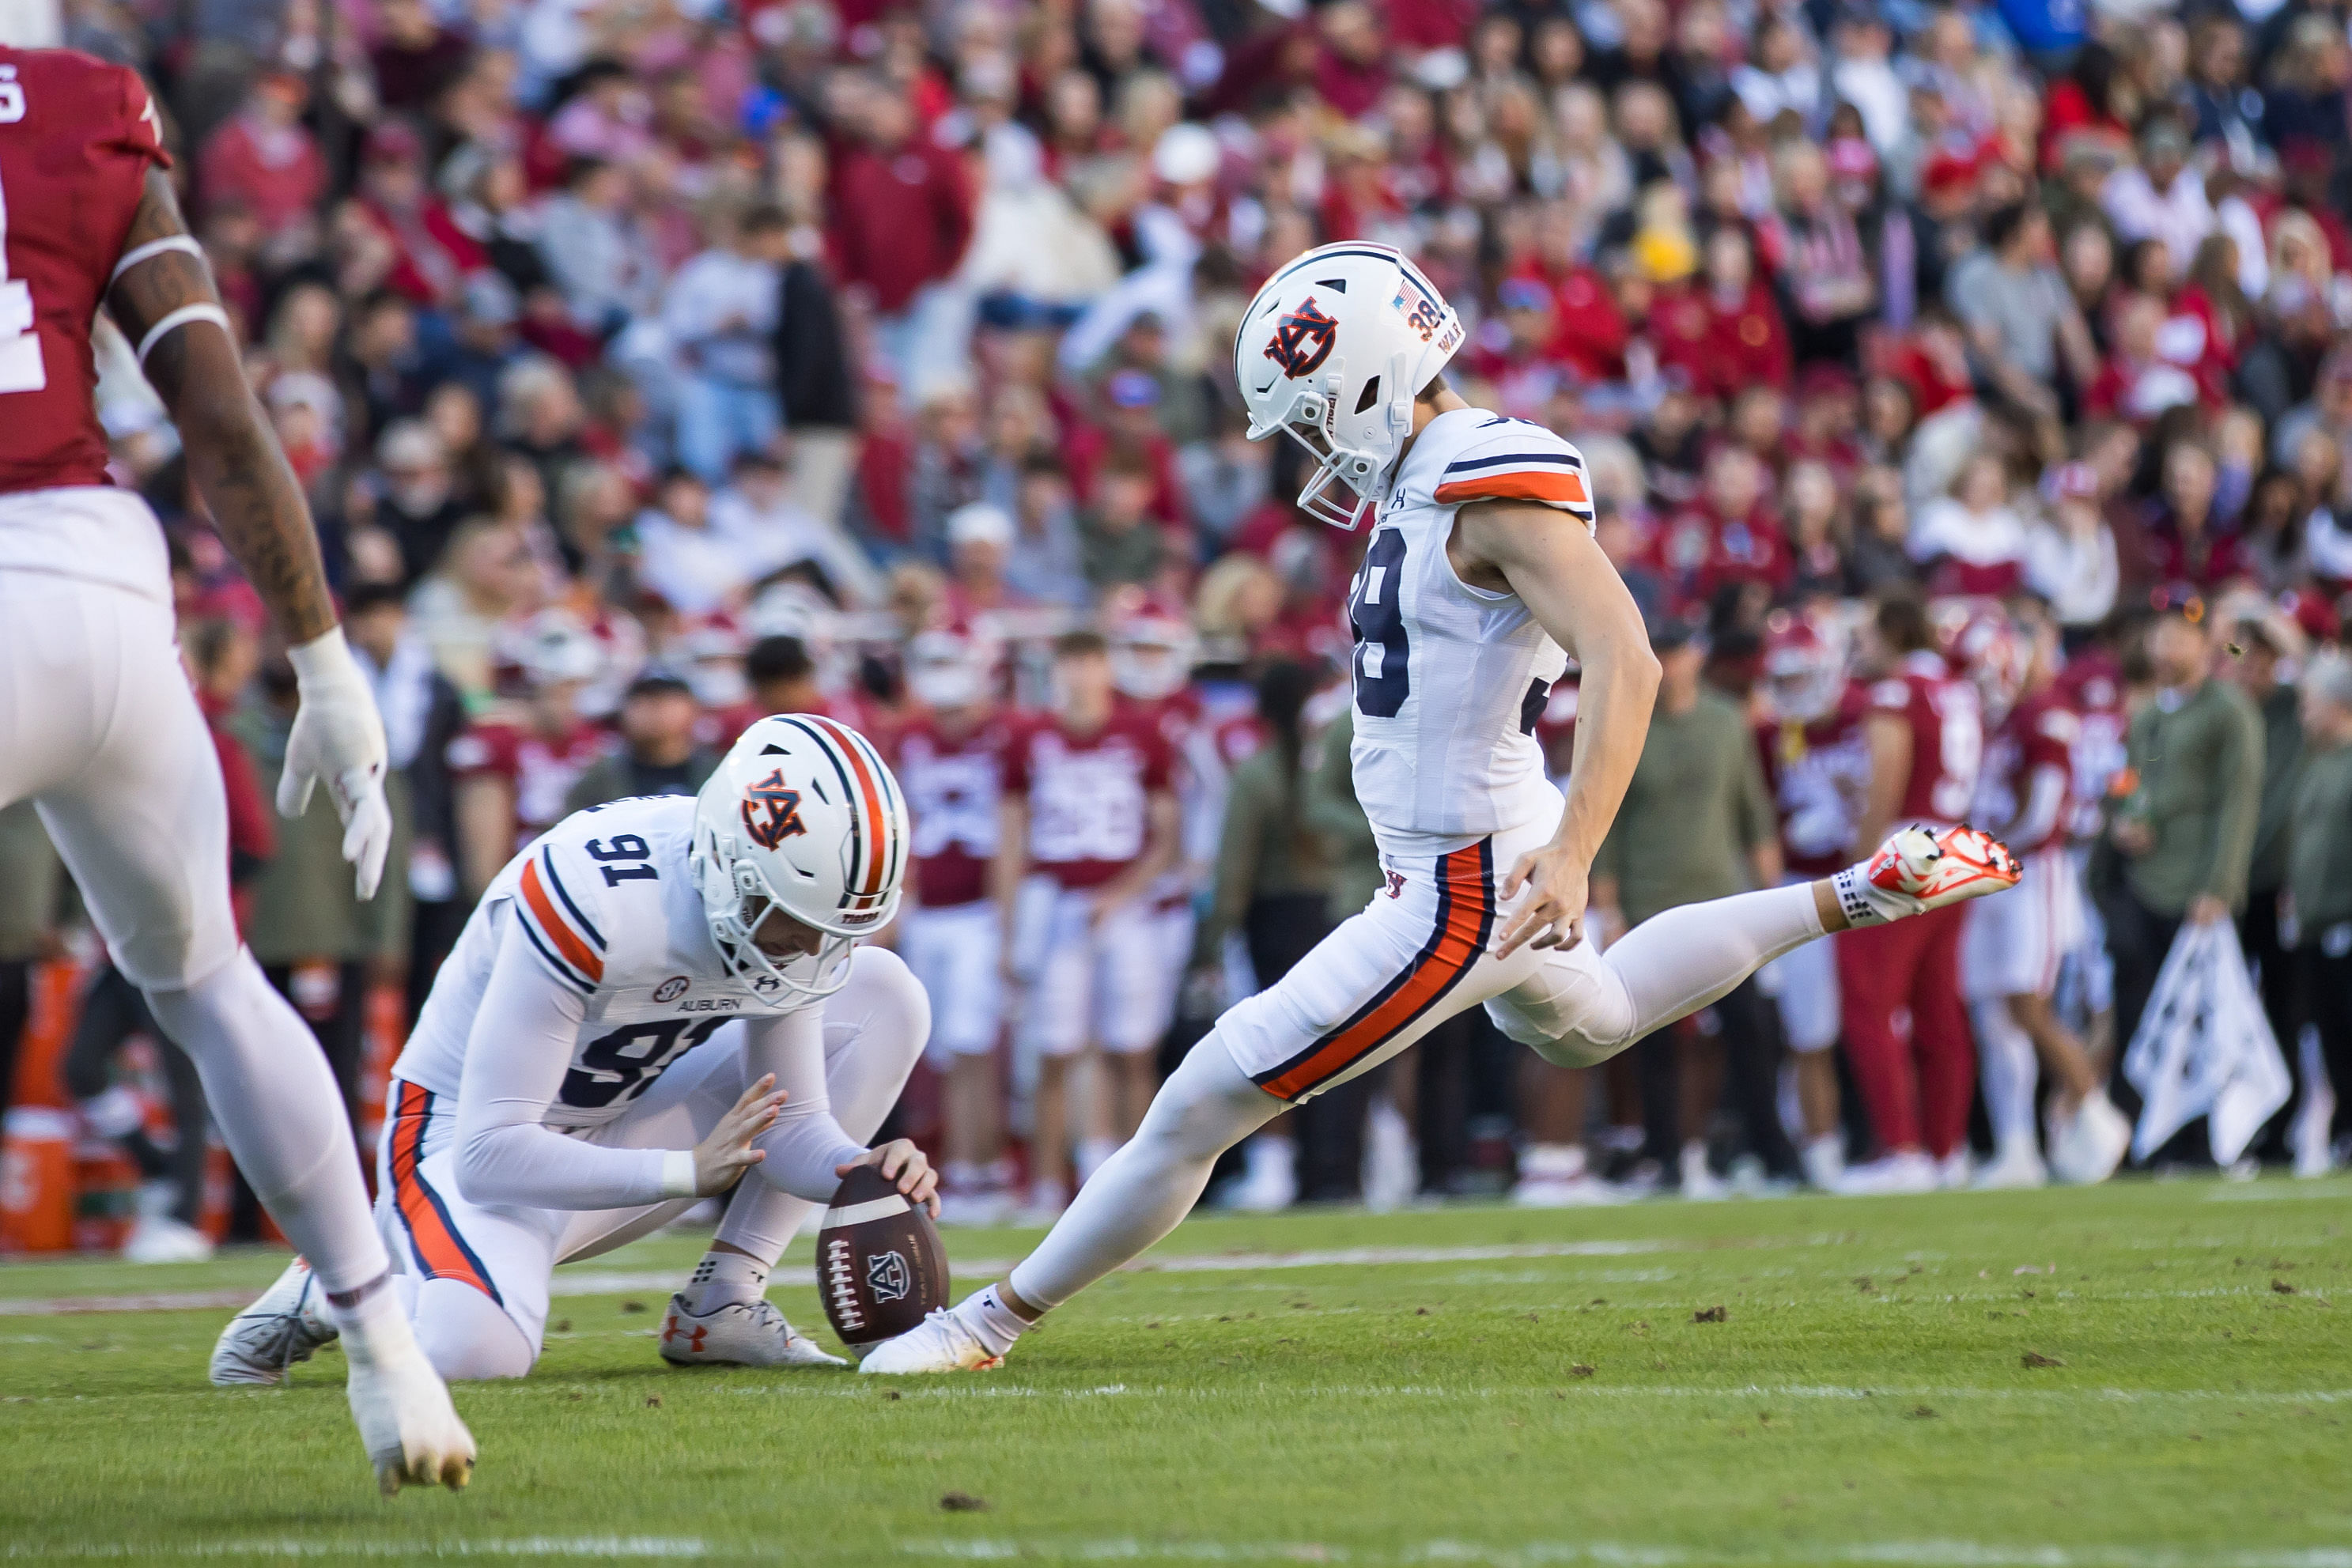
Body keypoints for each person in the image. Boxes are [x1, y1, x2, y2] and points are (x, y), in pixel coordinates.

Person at [856, 244, 2020, 1375]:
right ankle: (1859, 889)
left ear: (1367, 375)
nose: (1312, 446)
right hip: (1474, 844)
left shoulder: (1487, 476)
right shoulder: (1424, 477)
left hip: (1461, 879)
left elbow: (1627, 658)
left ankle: (987, 1323)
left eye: (1313, 412)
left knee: (1203, 1093)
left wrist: (1573, 853)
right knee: (1599, 1013)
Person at [0, 47, 469, 1489]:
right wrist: (325, 661)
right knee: (211, 983)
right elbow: (216, 408)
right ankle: (388, 1348)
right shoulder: (79, 104)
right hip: (103, 586)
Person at [212, 717, 938, 1381]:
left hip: (610, 1118)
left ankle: (725, 1299)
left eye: (827, 926)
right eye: (791, 918)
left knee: (886, 995)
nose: (809, 949)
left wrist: (858, 1169)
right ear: (728, 865)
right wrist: (685, 1172)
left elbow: (791, 1118)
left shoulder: (777, 912)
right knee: (479, 1348)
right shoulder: (595, 898)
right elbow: (491, 1152)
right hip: (462, 1144)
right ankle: (339, 1281)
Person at [1590, 614, 1796, 1197]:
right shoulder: (1626, 723)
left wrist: (1770, 893)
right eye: (1661, 652)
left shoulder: (1727, 721)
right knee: (1655, 1040)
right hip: (1650, 899)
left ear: (1696, 657)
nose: (1670, 664)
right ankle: (1666, 1154)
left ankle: (1768, 1150)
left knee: (1752, 1029)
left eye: (1678, 651)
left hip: (1722, 898)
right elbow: (1607, 825)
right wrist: (1609, 909)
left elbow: (1752, 808)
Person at [995, 629, 1180, 1220]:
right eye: (1069, 662)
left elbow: (1166, 836)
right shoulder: (1031, 738)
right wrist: (1008, 927)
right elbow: (1010, 835)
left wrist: (1120, 892)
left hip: (1124, 908)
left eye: (1089, 661)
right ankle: (1050, 1185)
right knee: (1054, 1050)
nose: (1079, 674)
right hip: (1055, 904)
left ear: (1107, 666)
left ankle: (1141, 1186)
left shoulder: (1143, 734)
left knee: (1133, 1048)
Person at [1957, 604, 2131, 1188]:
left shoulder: (2047, 712)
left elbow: (2044, 811)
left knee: (2028, 1006)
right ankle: (2017, 1146)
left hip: (2033, 872)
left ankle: (2098, 1115)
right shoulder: (2003, 719)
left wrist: (1982, 851)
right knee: (1993, 1014)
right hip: (1993, 874)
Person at [1835, 588, 1989, 1193]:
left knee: (1869, 997)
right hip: (1958, 845)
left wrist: (1862, 853)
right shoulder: (1958, 690)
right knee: (1939, 1005)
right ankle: (1947, 1147)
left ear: (1895, 633)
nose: (1862, 644)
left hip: (1909, 844)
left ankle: (1901, 1147)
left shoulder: (1897, 692)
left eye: (1870, 631)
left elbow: (1889, 774)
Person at [2103, 601, 2264, 1131]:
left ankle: (2201, 1134)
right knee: (2141, 1011)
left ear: (2202, 644)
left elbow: (2238, 801)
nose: (2164, 650)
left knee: (2200, 1020)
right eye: (2158, 638)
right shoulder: (2147, 715)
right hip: (2147, 880)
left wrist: (2220, 884)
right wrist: (2128, 819)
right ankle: (2144, 1130)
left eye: (2176, 637)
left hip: (2196, 884)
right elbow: (2131, 779)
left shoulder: (2228, 709)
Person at [892, 630, 1019, 1224]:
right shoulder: (909, 738)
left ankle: (978, 1167)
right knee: (939, 1048)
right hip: (928, 910)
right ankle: (962, 1164)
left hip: (977, 910)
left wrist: (1008, 917)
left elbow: (1014, 826)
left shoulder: (1002, 738)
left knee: (972, 1044)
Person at [1751, 610, 1870, 1191]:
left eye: (1803, 677)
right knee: (1810, 1031)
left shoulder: (1868, 717)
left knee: (1879, 1026)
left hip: (1871, 885)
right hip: (1802, 887)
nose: (1792, 692)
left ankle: (1905, 1147)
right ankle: (1822, 1153)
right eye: (1785, 679)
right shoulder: (1772, 735)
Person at [2286, 653, 2352, 1173]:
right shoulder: (2316, 762)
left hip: (2345, 916)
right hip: (2316, 921)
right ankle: (2345, 1130)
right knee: (2329, 1030)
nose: (2303, 714)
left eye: (2310, 705)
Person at [563, 671, 719, 812]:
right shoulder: (599, 778)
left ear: (693, 710)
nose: (654, 709)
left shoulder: (718, 772)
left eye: (665, 700)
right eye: (642, 701)